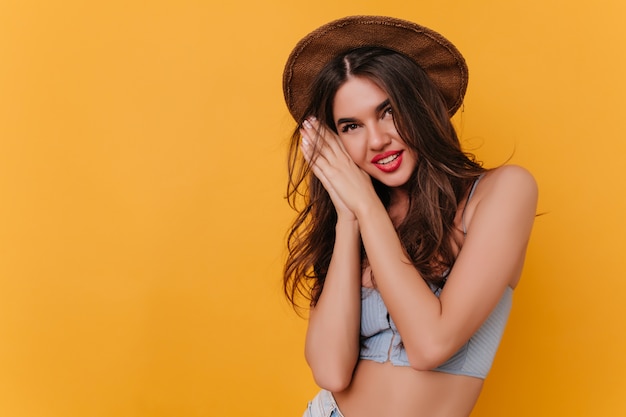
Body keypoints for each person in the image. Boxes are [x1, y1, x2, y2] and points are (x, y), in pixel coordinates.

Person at [281, 16, 537, 417]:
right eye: (351, 126)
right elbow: (330, 372)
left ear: (419, 106)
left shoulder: (501, 192)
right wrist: (349, 217)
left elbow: (430, 345)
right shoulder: (356, 219)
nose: (377, 140)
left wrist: (366, 207)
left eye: (388, 111)